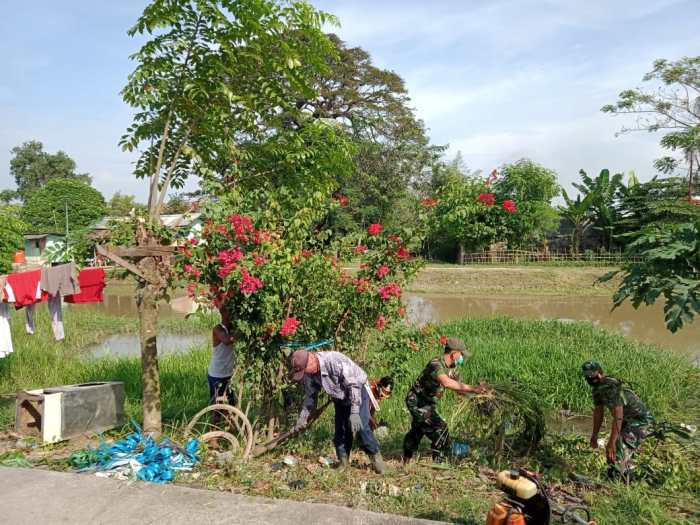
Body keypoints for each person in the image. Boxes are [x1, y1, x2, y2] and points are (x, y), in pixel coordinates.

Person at [289, 348, 387, 474]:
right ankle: (343, 462)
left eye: (304, 369)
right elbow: (310, 397)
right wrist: (303, 418)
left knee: (360, 425)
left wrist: (355, 411)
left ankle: (376, 458)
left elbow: (353, 385)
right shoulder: (309, 372)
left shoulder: (334, 360)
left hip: (357, 389)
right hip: (339, 396)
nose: (305, 373)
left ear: (312, 359)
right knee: (341, 429)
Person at [403, 337, 488, 463]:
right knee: (441, 429)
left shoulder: (448, 368)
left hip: (426, 403)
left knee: (418, 430)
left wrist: (476, 397)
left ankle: (406, 459)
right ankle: (439, 461)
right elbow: (446, 383)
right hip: (417, 402)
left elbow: (457, 388)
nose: (462, 358)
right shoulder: (436, 364)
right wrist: (474, 388)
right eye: (461, 354)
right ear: (454, 354)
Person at [582, 361, 654, 479]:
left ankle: (626, 479)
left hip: (640, 421)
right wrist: (594, 435)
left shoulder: (610, 386)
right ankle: (618, 473)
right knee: (614, 451)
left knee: (617, 450)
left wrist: (611, 442)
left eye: (592, 374)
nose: (590, 377)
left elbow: (618, 415)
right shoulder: (597, 390)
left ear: (600, 373)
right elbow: (598, 414)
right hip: (627, 421)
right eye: (587, 375)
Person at [207, 307, 236, 406]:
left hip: (228, 374)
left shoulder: (233, 328)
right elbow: (227, 340)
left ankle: (230, 421)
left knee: (231, 406)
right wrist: (243, 332)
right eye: (230, 311)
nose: (233, 314)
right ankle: (214, 421)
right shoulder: (218, 329)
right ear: (223, 313)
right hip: (217, 375)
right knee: (217, 409)